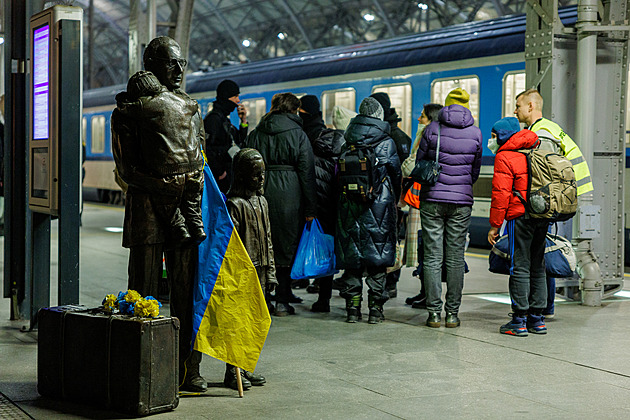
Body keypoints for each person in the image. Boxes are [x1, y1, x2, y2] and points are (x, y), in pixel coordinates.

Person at [111, 36, 207, 392]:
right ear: (151, 65)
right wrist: (164, 185)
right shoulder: (129, 112)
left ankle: (186, 367)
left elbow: (198, 154)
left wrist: (190, 183)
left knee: (186, 290)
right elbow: (126, 171)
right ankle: (138, 368)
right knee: (144, 290)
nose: (179, 70)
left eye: (182, 63)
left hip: (183, 202)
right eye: (170, 63)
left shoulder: (188, 106)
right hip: (148, 211)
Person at [514, 88, 593, 318]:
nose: (515, 110)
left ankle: (543, 307)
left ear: (530, 106)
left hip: (553, 200)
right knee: (542, 251)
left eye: (518, 106)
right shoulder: (542, 128)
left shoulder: (543, 133)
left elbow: (546, 176)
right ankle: (544, 306)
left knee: (540, 253)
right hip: (563, 196)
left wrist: (538, 205)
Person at [245, 92, 317, 317]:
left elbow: (245, 164)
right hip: (290, 195)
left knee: (263, 246)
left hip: (261, 194)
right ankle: (283, 301)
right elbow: (307, 173)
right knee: (286, 247)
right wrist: (310, 208)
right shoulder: (299, 135)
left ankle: (263, 299)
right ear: (295, 110)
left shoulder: (256, 133)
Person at [416, 88, 482, 328]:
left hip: (432, 198)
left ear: (446, 105)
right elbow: (474, 171)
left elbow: (420, 162)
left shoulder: (432, 128)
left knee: (433, 257)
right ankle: (452, 314)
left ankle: (433, 313)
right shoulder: (476, 132)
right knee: (455, 258)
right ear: (467, 105)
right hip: (461, 202)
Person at [336, 97, 401, 324]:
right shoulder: (386, 142)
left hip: (349, 206)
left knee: (353, 261)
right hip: (379, 205)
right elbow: (395, 174)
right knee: (377, 260)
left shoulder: (347, 141)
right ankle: (375, 310)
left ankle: (352, 309)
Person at [487, 117, 548, 336]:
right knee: (537, 265)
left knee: (519, 266)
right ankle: (537, 319)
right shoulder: (537, 149)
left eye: (494, 136)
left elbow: (500, 195)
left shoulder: (505, 156)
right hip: (542, 216)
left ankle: (519, 320)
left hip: (520, 217)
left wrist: (495, 225)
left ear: (502, 136)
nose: (491, 141)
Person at [225, 148, 276, 390]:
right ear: (243, 176)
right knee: (238, 322)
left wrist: (272, 272)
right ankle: (232, 370)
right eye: (256, 175)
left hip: (262, 270)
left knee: (255, 322)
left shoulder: (262, 202)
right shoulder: (235, 205)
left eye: (263, 174)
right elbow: (231, 244)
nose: (261, 179)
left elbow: (268, 240)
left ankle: (247, 365)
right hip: (244, 272)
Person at [298, 95, 345, 312]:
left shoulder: (302, 135)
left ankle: (298, 278)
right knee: (325, 245)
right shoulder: (330, 135)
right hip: (330, 198)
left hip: (309, 197)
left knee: (302, 240)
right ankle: (323, 297)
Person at [370, 92, 412, 298]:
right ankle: (391, 281)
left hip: (384, 198)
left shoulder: (383, 137)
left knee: (382, 240)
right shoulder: (402, 137)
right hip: (395, 200)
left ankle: (387, 281)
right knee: (392, 241)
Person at [402, 103, 443, 308]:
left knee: (425, 247)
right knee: (429, 248)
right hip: (435, 197)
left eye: (422, 116)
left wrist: (405, 166)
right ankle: (425, 292)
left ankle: (429, 295)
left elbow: (411, 166)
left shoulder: (426, 136)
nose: (419, 120)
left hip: (422, 197)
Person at [204, 79, 248, 193]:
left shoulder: (224, 119)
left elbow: (238, 140)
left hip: (226, 174)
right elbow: (206, 147)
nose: (238, 101)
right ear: (226, 97)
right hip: (220, 177)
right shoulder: (213, 120)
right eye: (235, 96)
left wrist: (243, 121)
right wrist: (219, 172)